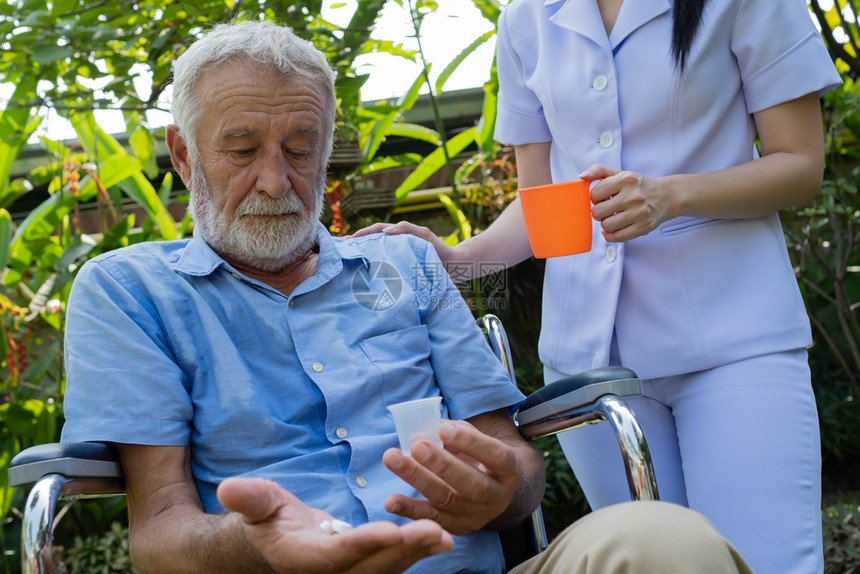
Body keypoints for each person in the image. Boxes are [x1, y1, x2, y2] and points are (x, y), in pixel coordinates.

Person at [60, 20, 753, 574]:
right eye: (241, 150)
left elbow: (515, 466)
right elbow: (158, 533)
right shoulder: (129, 292)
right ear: (183, 155)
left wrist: (498, 489)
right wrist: (261, 547)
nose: (276, 180)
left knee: (668, 542)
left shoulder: (404, 266)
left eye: (301, 148)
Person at [355, 1, 843, 573]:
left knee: (767, 563)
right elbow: (544, 211)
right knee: (653, 560)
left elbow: (800, 165)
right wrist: (458, 259)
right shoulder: (526, 19)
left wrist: (670, 196)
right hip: (590, 367)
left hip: (733, 344)